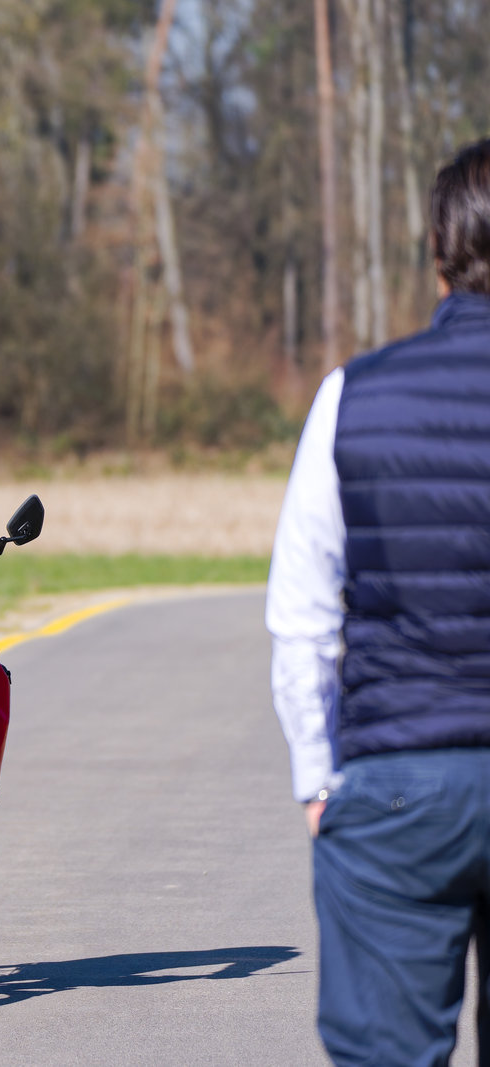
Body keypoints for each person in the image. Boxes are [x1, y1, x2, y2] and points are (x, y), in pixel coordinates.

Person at [268, 139, 490, 1066]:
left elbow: (305, 617)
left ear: (438, 252)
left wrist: (319, 779)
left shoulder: (352, 396)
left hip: (402, 786)